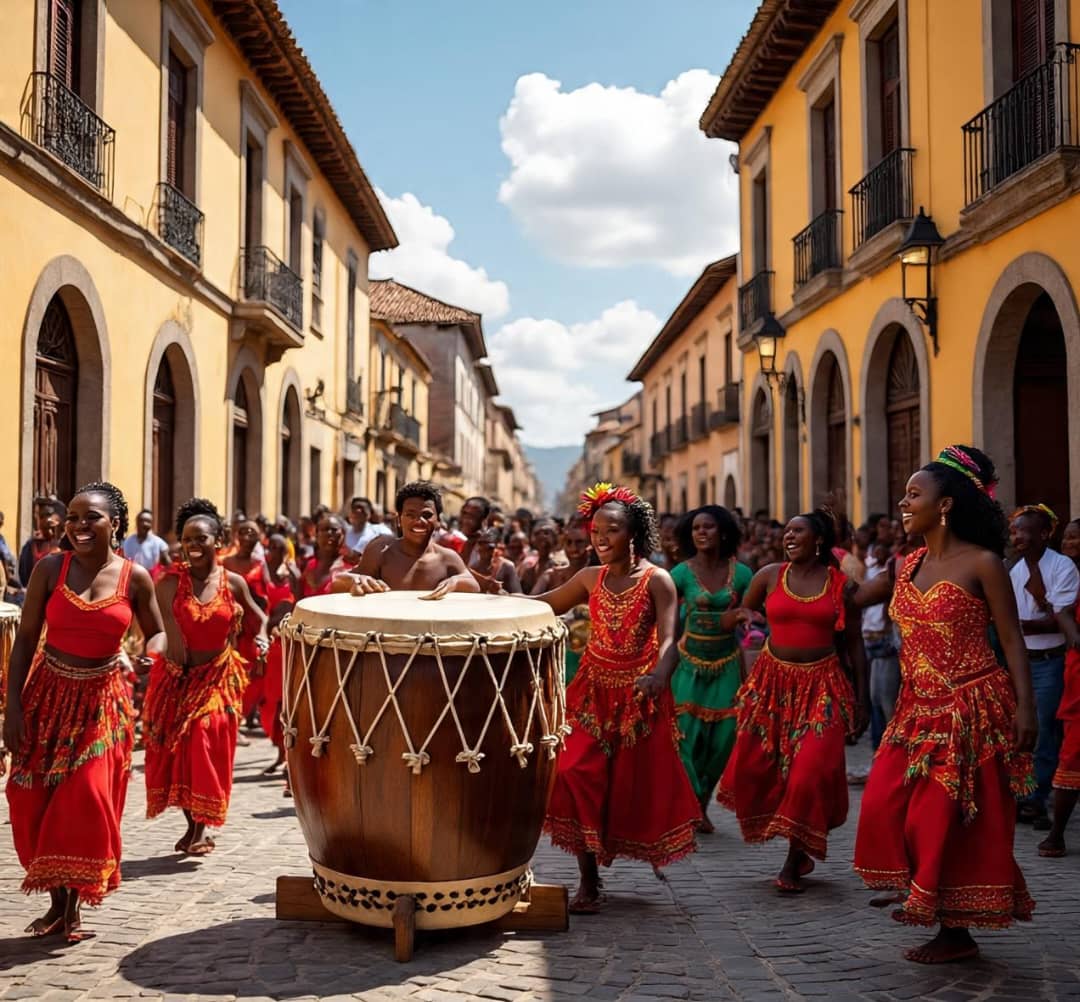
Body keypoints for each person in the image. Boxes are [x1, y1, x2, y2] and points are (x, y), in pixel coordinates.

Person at [853, 445, 1037, 964]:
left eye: (915, 494)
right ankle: (924, 894)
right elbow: (855, 598)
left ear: (947, 504)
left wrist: (1028, 709)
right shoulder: (906, 564)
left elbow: (1013, 640)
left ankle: (954, 930)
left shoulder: (983, 563)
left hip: (971, 705)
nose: (904, 502)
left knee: (947, 819)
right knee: (883, 804)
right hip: (916, 708)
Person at [4, 483, 165, 941]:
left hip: (103, 702)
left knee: (87, 796)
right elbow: (25, 641)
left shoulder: (135, 578)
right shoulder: (49, 569)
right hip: (47, 697)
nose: (78, 526)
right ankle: (57, 902)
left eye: (89, 517)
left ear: (114, 524)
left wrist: (154, 651)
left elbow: (157, 631)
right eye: (73, 518)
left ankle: (74, 904)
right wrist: (12, 708)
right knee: (32, 799)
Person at [532, 483, 701, 913]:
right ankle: (588, 879)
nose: (600, 539)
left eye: (611, 530)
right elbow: (543, 604)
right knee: (571, 772)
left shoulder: (657, 580)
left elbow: (669, 640)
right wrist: (487, 596)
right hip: (590, 692)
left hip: (636, 699)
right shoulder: (591, 577)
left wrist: (659, 675)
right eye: (595, 531)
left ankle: (596, 876)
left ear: (634, 535)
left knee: (625, 787)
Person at [718, 510, 869, 893]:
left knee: (809, 771)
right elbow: (731, 615)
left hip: (823, 685)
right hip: (773, 683)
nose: (788, 537)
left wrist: (863, 701)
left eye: (797, 532)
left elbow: (855, 645)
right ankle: (797, 849)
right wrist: (738, 615)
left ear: (818, 540)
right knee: (761, 768)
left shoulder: (840, 585)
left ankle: (792, 858)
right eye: (786, 531)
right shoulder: (768, 576)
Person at [142, 498, 268, 856]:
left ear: (219, 540)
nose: (193, 546)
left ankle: (199, 830)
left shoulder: (234, 583)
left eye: (201, 539)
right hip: (177, 678)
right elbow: (160, 630)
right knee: (180, 755)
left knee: (202, 738)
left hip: (218, 676)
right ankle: (193, 826)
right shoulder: (168, 584)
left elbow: (261, 615)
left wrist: (261, 637)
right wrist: (154, 653)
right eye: (187, 540)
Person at [670, 506, 753, 832]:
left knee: (722, 743)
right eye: (696, 528)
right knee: (685, 740)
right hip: (688, 666)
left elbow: (758, 620)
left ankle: (702, 802)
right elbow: (662, 615)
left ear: (723, 533)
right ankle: (692, 807)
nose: (702, 533)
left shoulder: (744, 575)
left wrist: (746, 617)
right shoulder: (679, 574)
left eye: (709, 527)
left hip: (727, 665)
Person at [1008, 504, 1078, 829]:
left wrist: (1027, 623)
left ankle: (1037, 799)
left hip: (1051, 661)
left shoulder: (1062, 567)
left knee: (1045, 731)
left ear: (1044, 534)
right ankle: (1024, 795)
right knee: (1021, 732)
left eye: (1023, 530)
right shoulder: (1014, 571)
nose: (1016, 537)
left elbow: (1061, 622)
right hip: (1023, 661)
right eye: (1014, 531)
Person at [340, 482, 480, 598]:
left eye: (427, 515)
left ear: (438, 520)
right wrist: (355, 580)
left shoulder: (446, 558)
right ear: (399, 520)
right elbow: (338, 582)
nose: (419, 521)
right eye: (410, 515)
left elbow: (474, 586)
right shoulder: (381, 551)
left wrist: (455, 582)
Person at [1040, 517, 1080, 857]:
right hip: (1076, 671)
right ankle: (1056, 833)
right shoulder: (1067, 573)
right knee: (1071, 752)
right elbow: (1063, 613)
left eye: (1075, 537)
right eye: (1067, 537)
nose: (1071, 542)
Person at [224, 518, 270, 729]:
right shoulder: (224, 562)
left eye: (252, 532)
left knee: (250, 673)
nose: (247, 536)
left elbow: (267, 595)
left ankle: (241, 716)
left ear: (259, 537)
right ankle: (231, 719)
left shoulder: (260, 564)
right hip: (228, 625)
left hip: (252, 626)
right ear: (236, 535)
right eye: (243, 531)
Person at [535, 521, 593, 684]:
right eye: (569, 543)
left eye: (579, 542)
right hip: (555, 649)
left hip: (590, 656)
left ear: (590, 545)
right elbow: (533, 602)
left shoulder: (599, 577)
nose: (574, 548)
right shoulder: (551, 575)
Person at [17, 497, 65, 591]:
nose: (45, 520)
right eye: (40, 517)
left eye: (48, 515)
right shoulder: (30, 546)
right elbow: (24, 577)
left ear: (59, 518)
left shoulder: (70, 544)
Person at [299, 514, 349, 597]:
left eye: (334, 530)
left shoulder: (348, 568)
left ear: (343, 534)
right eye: (324, 530)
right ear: (316, 535)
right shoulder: (309, 565)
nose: (329, 534)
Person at [470, 528, 522, 594]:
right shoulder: (473, 568)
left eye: (490, 547)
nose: (484, 548)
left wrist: (502, 594)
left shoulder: (506, 566)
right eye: (481, 543)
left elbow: (518, 593)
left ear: (497, 546)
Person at [521, 518, 564, 595]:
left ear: (555, 538)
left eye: (547, 533)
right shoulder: (529, 571)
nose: (542, 536)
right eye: (537, 533)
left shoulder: (558, 567)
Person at [122, 509, 172, 573]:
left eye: (148, 521)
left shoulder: (160, 544)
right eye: (141, 520)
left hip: (152, 579)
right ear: (136, 522)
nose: (144, 524)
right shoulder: (127, 542)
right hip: (131, 577)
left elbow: (168, 565)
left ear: (152, 524)